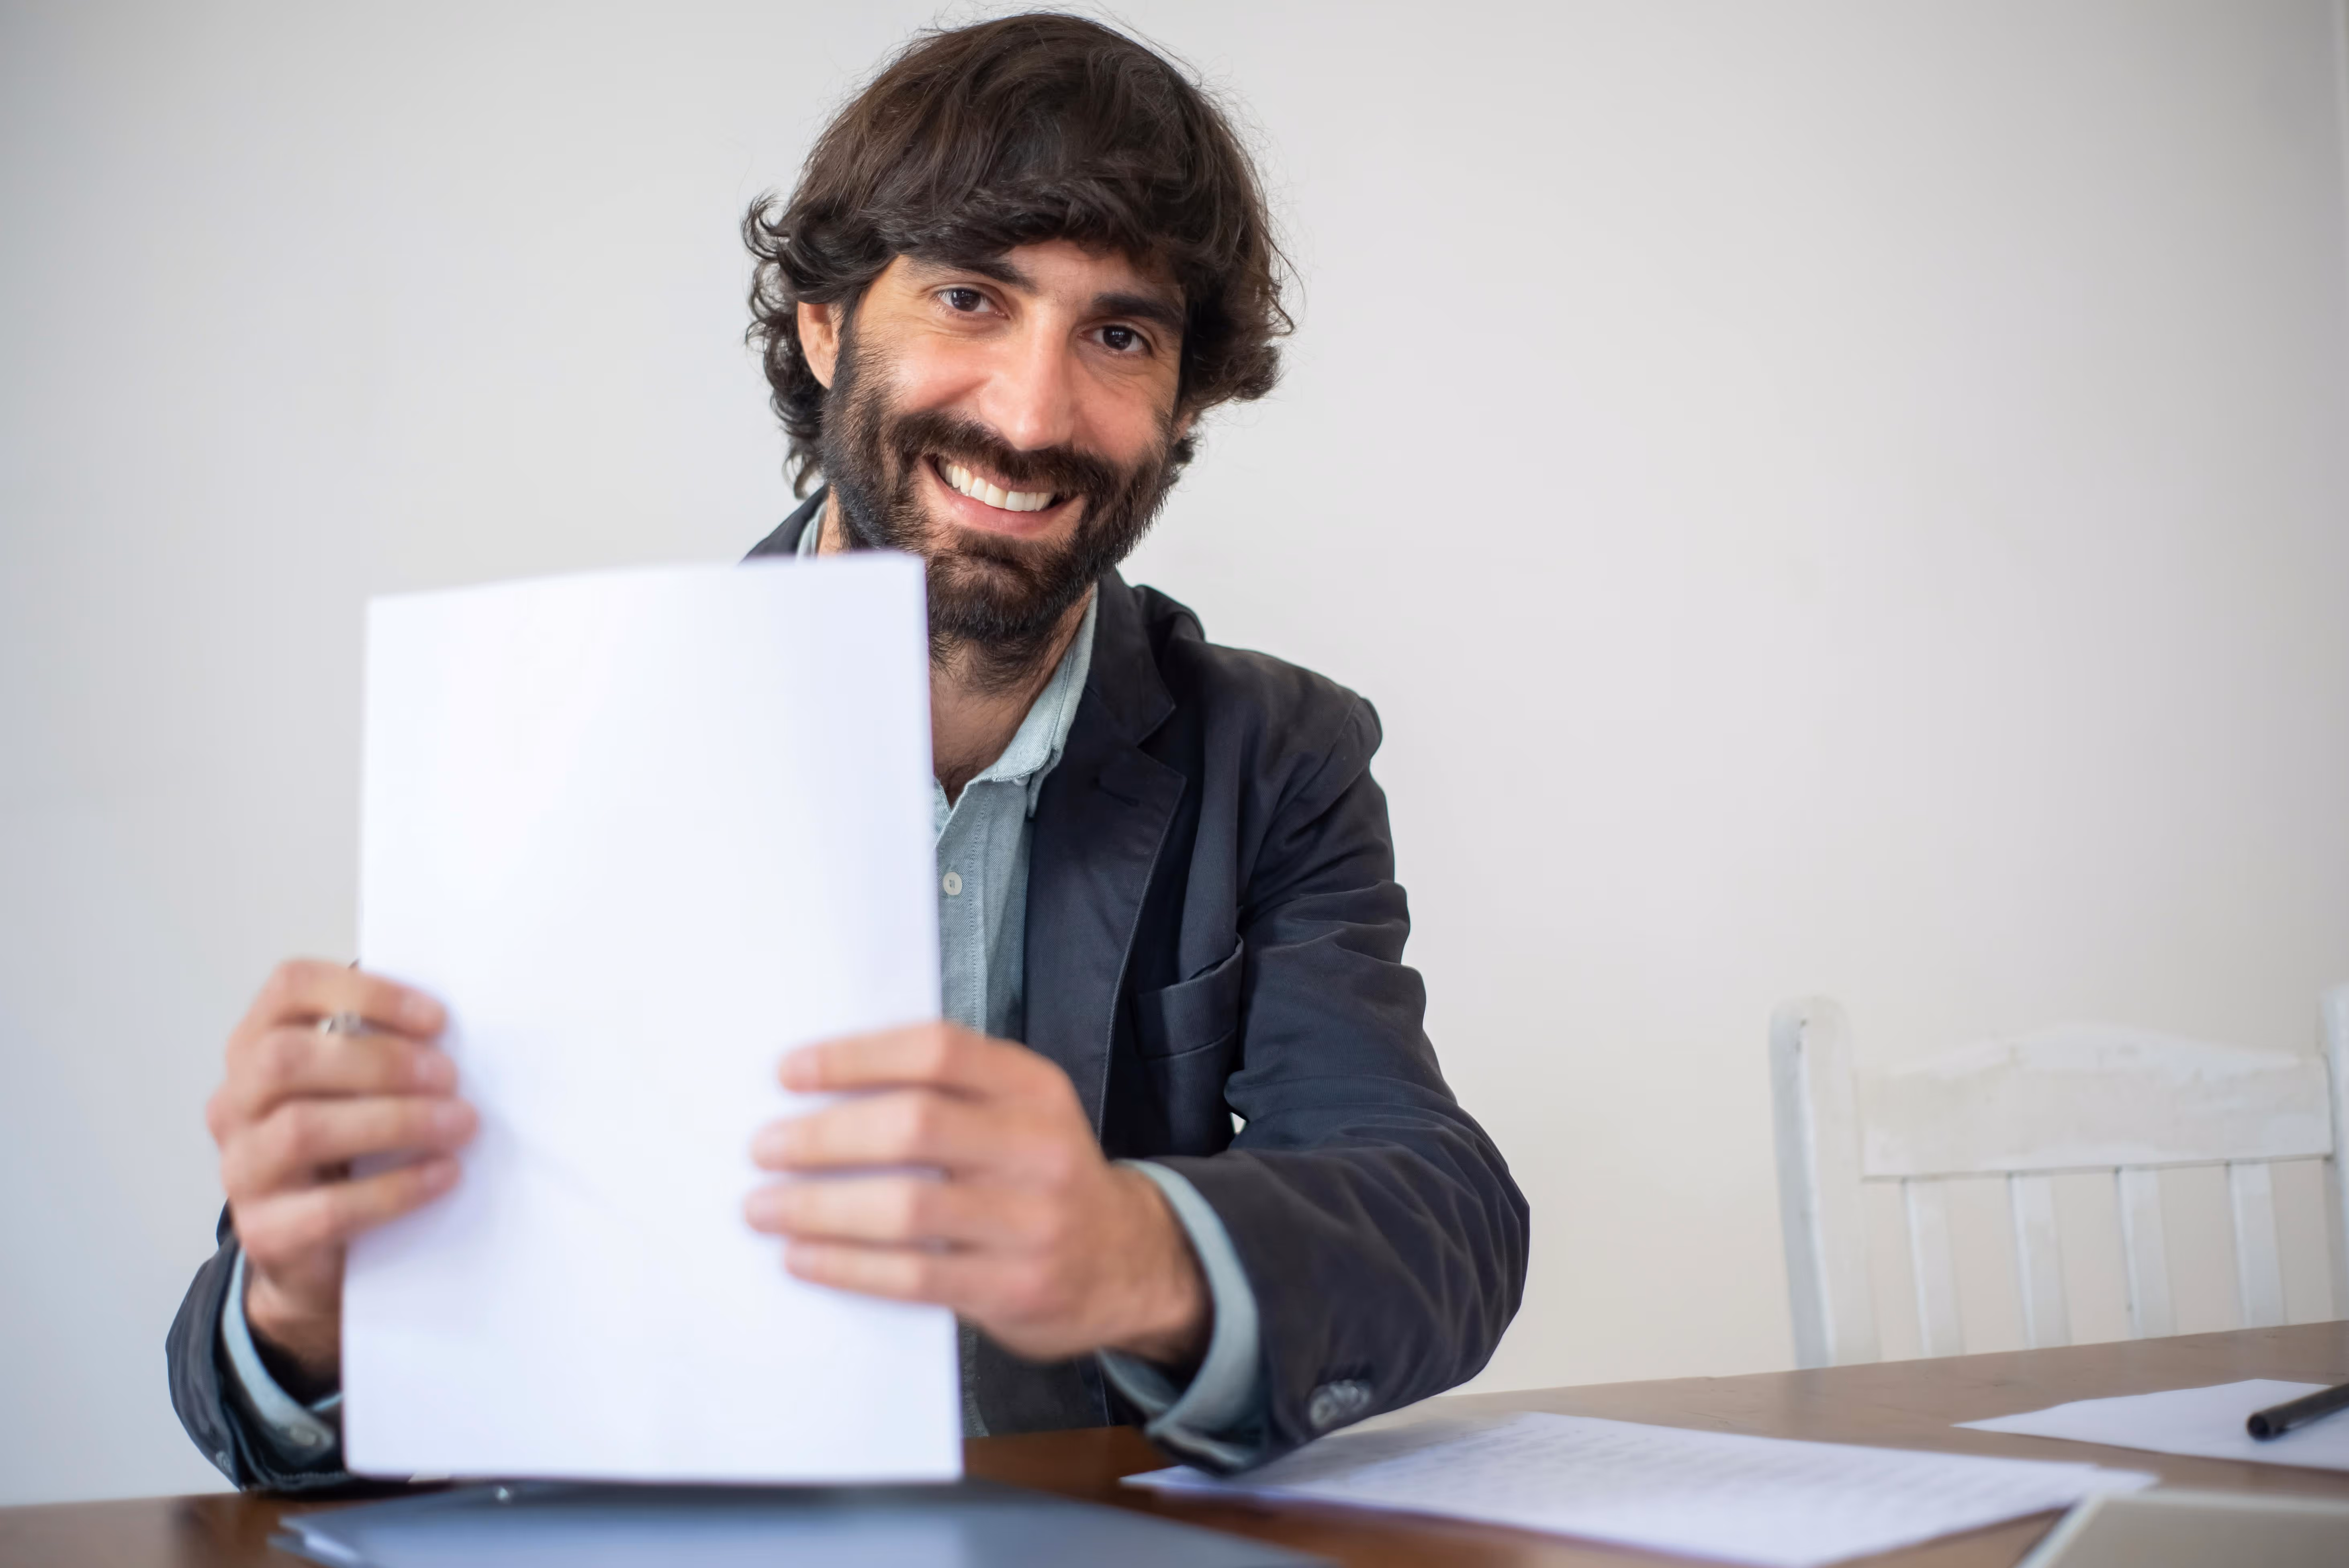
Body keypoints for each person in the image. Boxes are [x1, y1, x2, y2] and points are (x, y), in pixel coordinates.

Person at [167, 11, 1527, 1490]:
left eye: (1118, 334)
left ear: (1183, 401)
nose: (1030, 411)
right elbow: (264, 1365)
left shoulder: (1277, 753)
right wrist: (305, 1311)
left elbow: (1436, 1210)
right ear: (826, 325)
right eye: (968, 298)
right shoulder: (576, 720)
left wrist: (1133, 1248)